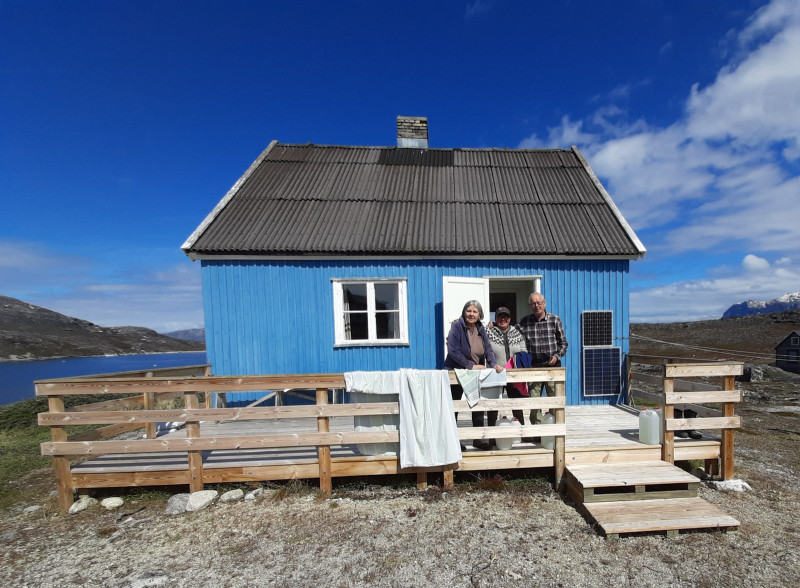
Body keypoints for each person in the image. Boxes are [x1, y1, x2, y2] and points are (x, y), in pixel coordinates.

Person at [444, 300, 503, 451]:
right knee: (454, 406)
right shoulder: (457, 326)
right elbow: (453, 351)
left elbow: (488, 349)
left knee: (477, 404)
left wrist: (493, 363)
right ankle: (452, 441)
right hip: (456, 371)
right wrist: (470, 365)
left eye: (475, 311)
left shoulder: (480, 328)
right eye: (468, 311)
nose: (471, 314)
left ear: (480, 314)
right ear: (464, 312)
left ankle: (478, 439)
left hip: (475, 372)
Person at [517, 292, 568, 426]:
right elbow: (510, 331)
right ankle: (537, 429)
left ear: (544, 303)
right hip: (534, 366)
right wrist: (493, 326)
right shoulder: (524, 322)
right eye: (533, 303)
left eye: (539, 302)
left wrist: (557, 356)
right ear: (530, 306)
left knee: (554, 398)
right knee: (534, 400)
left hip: (553, 366)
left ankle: (554, 426)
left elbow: (564, 343)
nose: (536, 305)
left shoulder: (555, 320)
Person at [487, 306, 528, 427]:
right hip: (495, 373)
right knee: (493, 405)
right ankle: (491, 434)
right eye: (500, 316)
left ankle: (522, 431)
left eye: (506, 316)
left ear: (510, 319)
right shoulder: (488, 332)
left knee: (516, 404)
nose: (503, 319)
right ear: (495, 319)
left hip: (512, 374)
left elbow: (524, 351)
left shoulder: (517, 332)